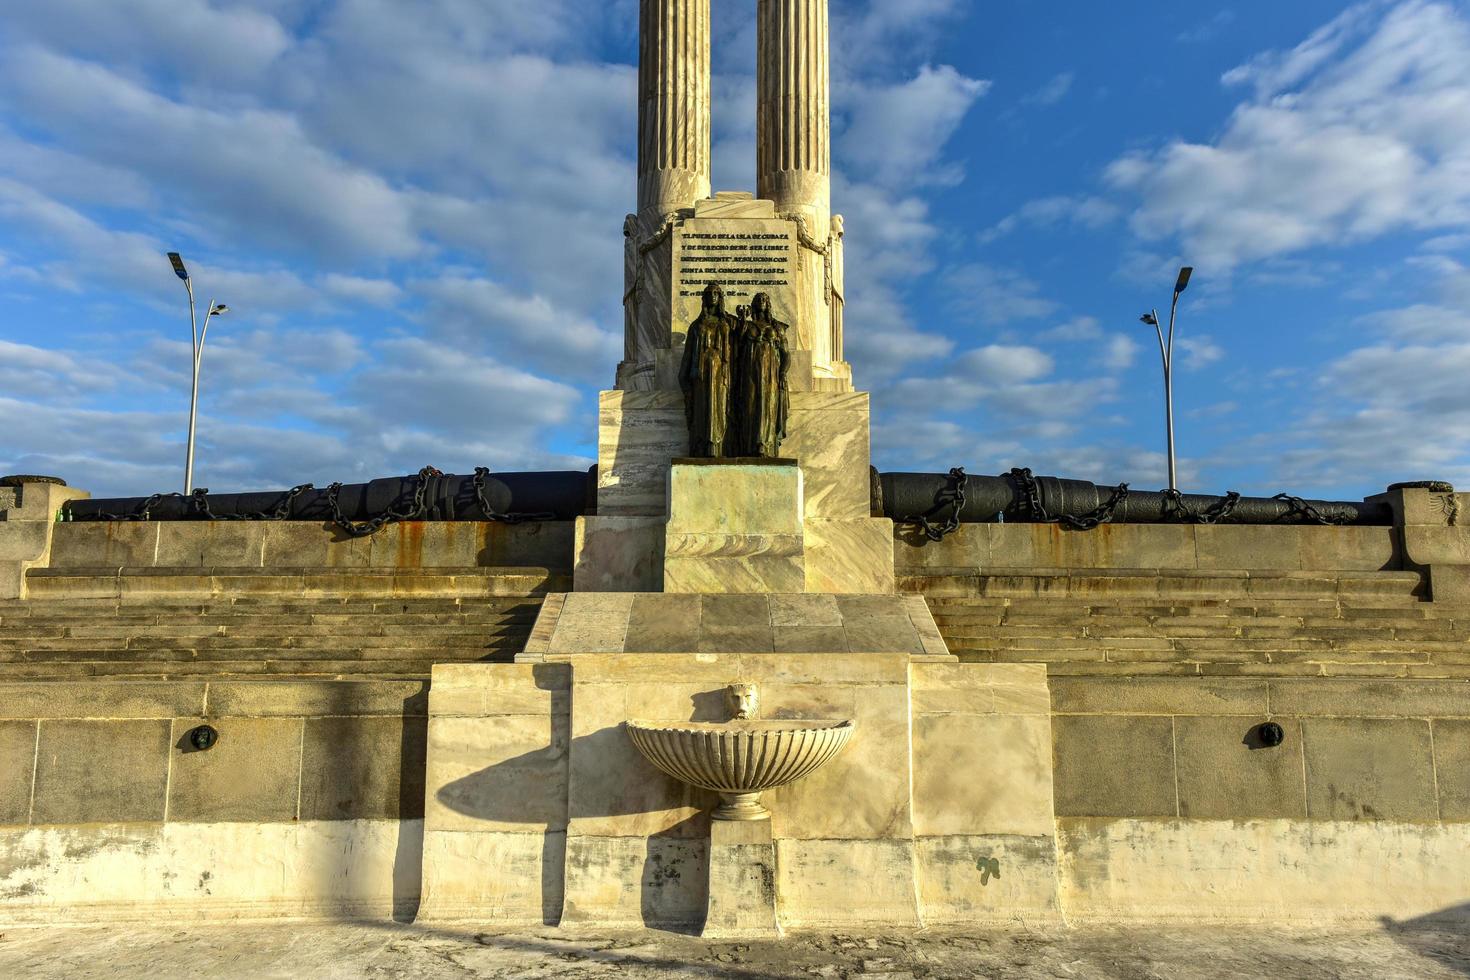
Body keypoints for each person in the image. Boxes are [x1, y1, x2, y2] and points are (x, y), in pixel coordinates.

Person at [679, 282, 736, 458]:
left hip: (721, 375)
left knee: (719, 409)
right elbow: (687, 356)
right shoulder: (696, 326)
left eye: (716, 293)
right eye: (709, 293)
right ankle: (702, 446)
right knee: (702, 410)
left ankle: (718, 446)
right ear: (704, 298)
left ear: (720, 298)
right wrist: (684, 380)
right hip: (701, 375)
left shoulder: (726, 323)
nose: (712, 296)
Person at [732, 292, 791, 458]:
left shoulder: (777, 328)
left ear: (769, 304)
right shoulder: (748, 326)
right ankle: (749, 444)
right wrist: (743, 321)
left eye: (765, 299)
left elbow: (786, 354)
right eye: (758, 299)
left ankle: (765, 443)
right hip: (750, 372)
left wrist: (782, 374)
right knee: (750, 404)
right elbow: (736, 348)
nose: (761, 302)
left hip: (770, 373)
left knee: (767, 406)